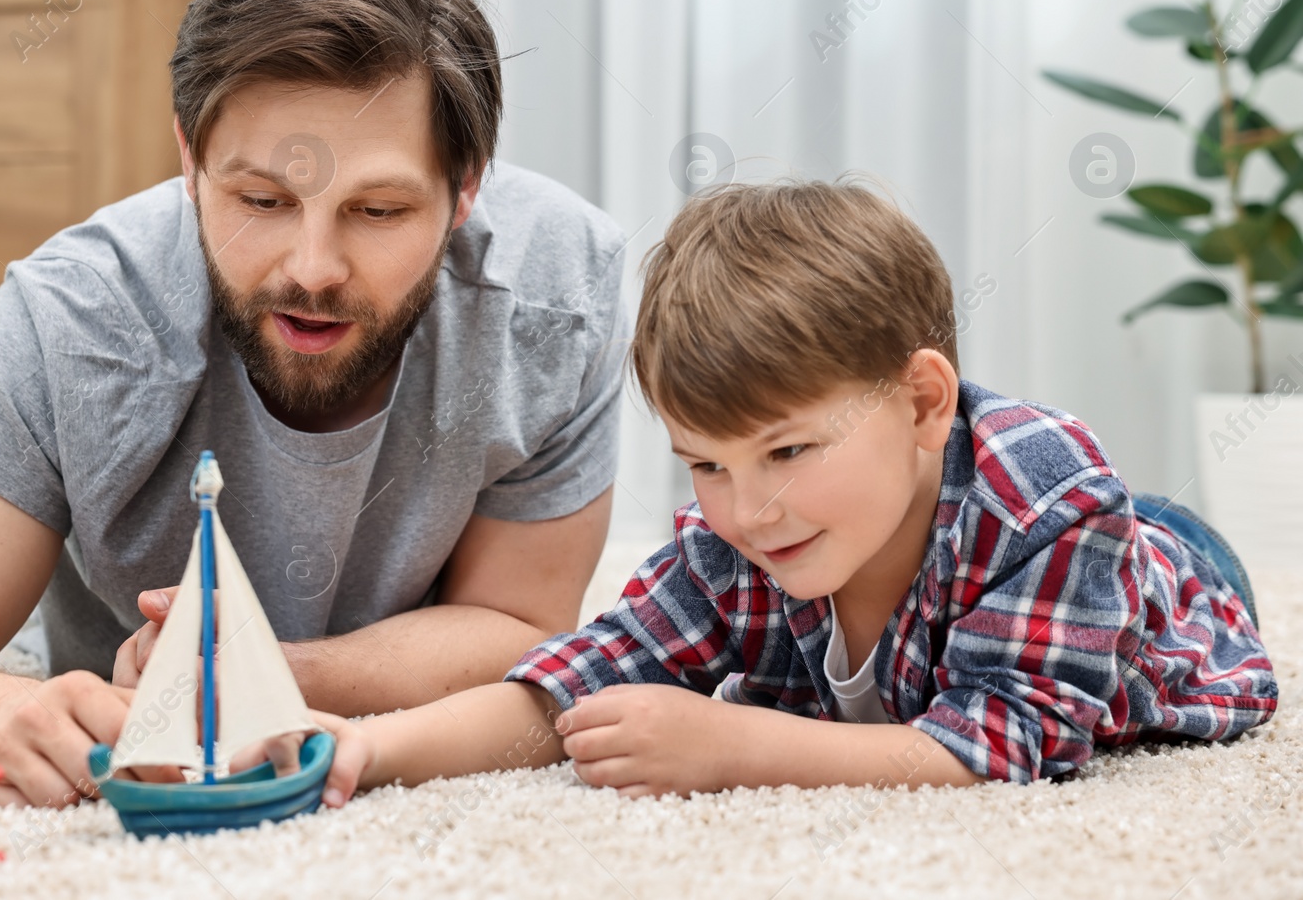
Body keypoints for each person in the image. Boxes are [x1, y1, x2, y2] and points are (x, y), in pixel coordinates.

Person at [0, 0, 631, 808]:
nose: (311, 267)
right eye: (260, 199)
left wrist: (261, 671)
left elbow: (522, 627)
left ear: (467, 189)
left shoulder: (558, 297)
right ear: (189, 158)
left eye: (377, 211)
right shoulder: (78, 314)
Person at [280, 177, 1277, 804]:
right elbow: (574, 680)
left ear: (923, 401)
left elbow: (1005, 744)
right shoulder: (735, 542)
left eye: (790, 450)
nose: (747, 509)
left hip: (1174, 571)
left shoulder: (1050, 508)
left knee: (1161, 531)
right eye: (705, 462)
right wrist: (370, 744)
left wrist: (734, 744)